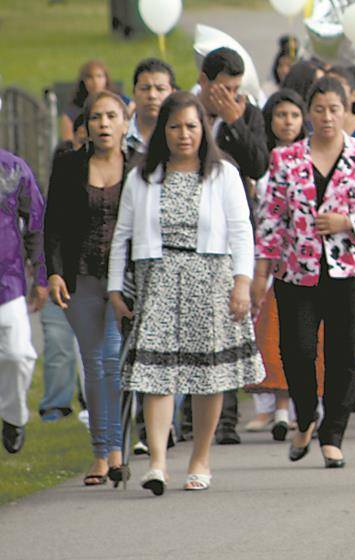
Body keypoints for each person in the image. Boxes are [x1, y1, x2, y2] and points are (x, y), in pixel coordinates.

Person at [107, 92, 264, 494]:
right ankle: (157, 461)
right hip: (156, 278)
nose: (183, 135)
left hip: (210, 277)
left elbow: (241, 230)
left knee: (207, 376)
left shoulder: (222, 174)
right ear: (164, 131)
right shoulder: (142, 176)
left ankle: (200, 458)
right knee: (157, 373)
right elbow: (122, 235)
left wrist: (242, 282)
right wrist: (114, 287)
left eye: (192, 126)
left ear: (203, 130)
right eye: (175, 127)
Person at [255, 78, 355, 467]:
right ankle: (304, 418)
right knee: (297, 350)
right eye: (319, 110)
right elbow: (271, 217)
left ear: (347, 108)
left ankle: (333, 432)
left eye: (335, 109)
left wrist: (347, 221)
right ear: (308, 114)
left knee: (342, 353)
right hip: (295, 270)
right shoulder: (286, 158)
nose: (327, 117)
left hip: (350, 270)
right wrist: (260, 269)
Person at [44, 90, 135, 484]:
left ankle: (116, 451)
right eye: (96, 117)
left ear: (125, 123)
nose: (104, 124)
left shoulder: (141, 168)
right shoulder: (67, 166)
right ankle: (103, 454)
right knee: (95, 363)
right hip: (81, 276)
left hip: (125, 280)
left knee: (113, 361)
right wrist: (54, 272)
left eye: (111, 116)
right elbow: (54, 226)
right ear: (86, 126)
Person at [194, 47, 270, 444]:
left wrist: (235, 121)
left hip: (230, 227)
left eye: (236, 88)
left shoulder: (247, 112)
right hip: (189, 228)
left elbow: (259, 163)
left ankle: (226, 418)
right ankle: (190, 416)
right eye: (223, 88)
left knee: (228, 322)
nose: (230, 95)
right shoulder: (185, 110)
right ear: (205, 83)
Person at [244, 89, 312, 437]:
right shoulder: (262, 160)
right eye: (280, 115)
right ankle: (274, 408)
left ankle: (299, 407)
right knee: (269, 336)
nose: (287, 122)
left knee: (302, 337)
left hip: (299, 262)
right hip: (264, 258)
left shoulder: (311, 158)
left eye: (294, 115)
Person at [0, 149, 48, 454]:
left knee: (19, 356)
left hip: (8, 282)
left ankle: (14, 417)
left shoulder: (13, 169)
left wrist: (41, 276)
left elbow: (36, 224)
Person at [125, 58, 176, 155]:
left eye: (160, 89)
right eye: (145, 88)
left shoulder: (182, 138)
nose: (152, 95)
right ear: (134, 92)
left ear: (173, 94)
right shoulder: (117, 134)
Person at [59, 59, 115, 142]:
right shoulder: (72, 113)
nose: (95, 81)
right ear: (83, 82)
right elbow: (68, 145)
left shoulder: (118, 103)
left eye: (99, 76)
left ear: (106, 79)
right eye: (90, 77)